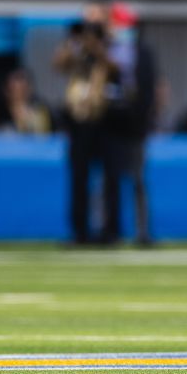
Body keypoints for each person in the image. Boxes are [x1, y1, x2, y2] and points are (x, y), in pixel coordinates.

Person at [54, 13, 116, 245]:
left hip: (102, 121)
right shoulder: (75, 51)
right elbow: (58, 64)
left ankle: (109, 230)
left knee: (108, 179)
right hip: (78, 122)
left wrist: (97, 47)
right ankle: (79, 231)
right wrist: (76, 45)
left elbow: (116, 69)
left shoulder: (108, 49)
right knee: (78, 179)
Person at [100, 2, 158, 245]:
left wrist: (142, 117)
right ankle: (110, 230)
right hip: (110, 124)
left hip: (135, 125)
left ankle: (142, 232)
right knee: (109, 180)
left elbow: (147, 90)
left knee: (137, 180)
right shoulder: (103, 51)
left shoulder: (143, 53)